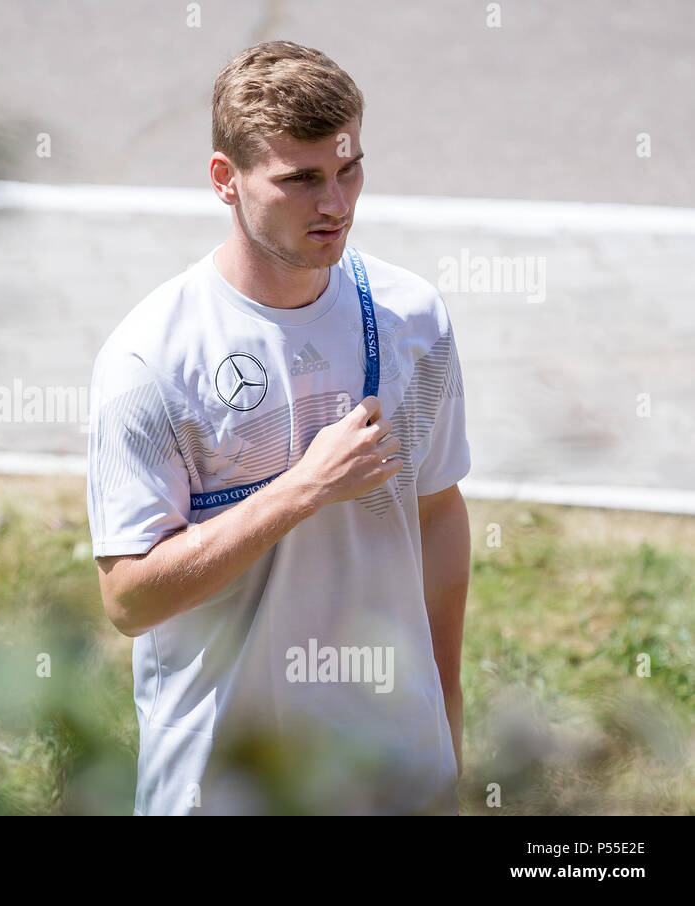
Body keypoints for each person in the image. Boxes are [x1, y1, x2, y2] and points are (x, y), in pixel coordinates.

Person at [85, 40, 472, 815]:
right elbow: (130, 600)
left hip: (390, 770)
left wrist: (444, 715)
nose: (336, 203)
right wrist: (300, 491)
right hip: (227, 784)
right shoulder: (150, 361)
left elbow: (436, 512)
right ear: (226, 181)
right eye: (300, 180)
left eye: (349, 168)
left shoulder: (413, 320)